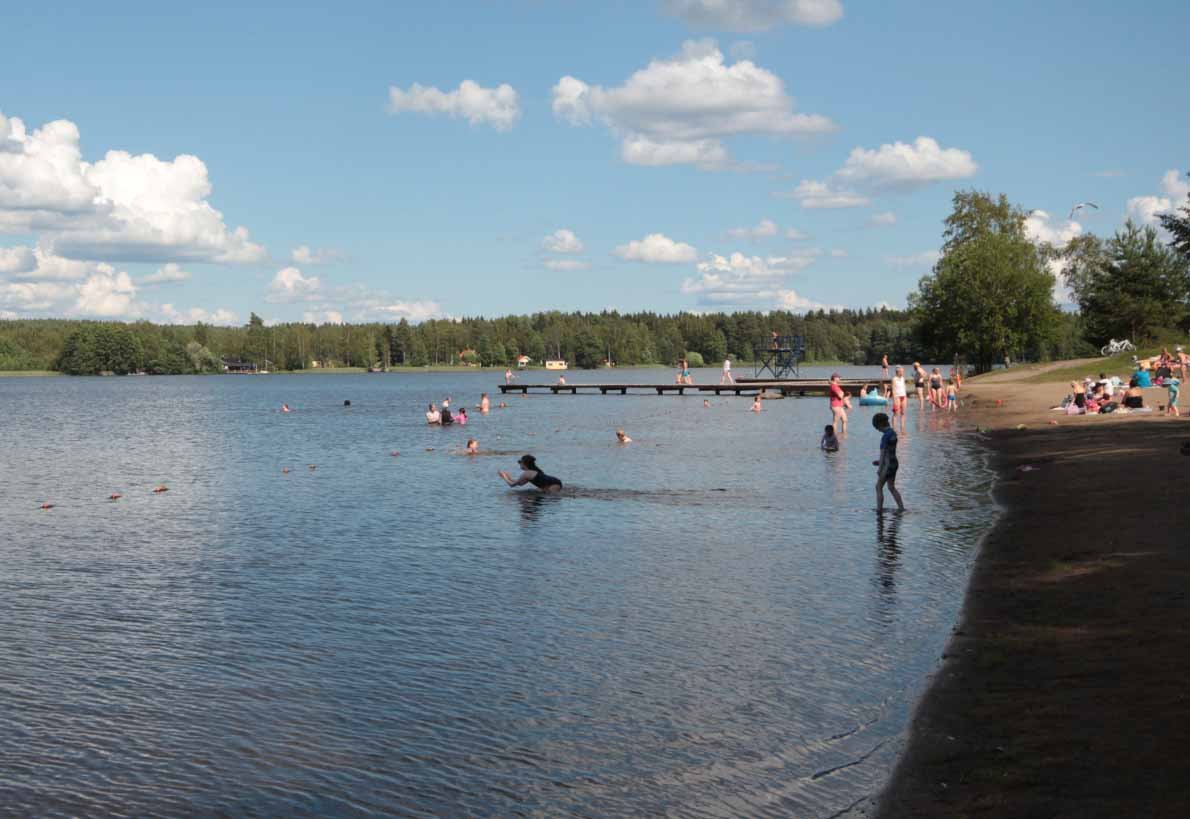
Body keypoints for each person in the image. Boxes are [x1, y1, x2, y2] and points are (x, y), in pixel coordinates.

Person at [872, 412, 905, 513]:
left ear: (880, 425)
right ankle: (901, 508)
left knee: (878, 487)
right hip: (894, 463)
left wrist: (880, 468)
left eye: (877, 428)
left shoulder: (885, 436)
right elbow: (890, 451)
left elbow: (882, 453)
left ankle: (879, 510)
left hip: (887, 465)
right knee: (891, 487)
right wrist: (880, 462)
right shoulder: (893, 433)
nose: (878, 430)